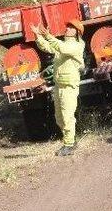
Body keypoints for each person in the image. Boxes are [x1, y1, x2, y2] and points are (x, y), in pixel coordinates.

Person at [31, 20, 85, 156]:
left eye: (71, 27)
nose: (67, 28)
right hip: (59, 85)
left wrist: (48, 35)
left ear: (77, 32)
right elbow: (48, 47)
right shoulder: (63, 45)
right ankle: (71, 141)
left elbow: (61, 47)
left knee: (67, 117)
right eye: (67, 26)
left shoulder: (77, 45)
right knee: (59, 118)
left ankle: (69, 145)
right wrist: (38, 36)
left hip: (68, 86)